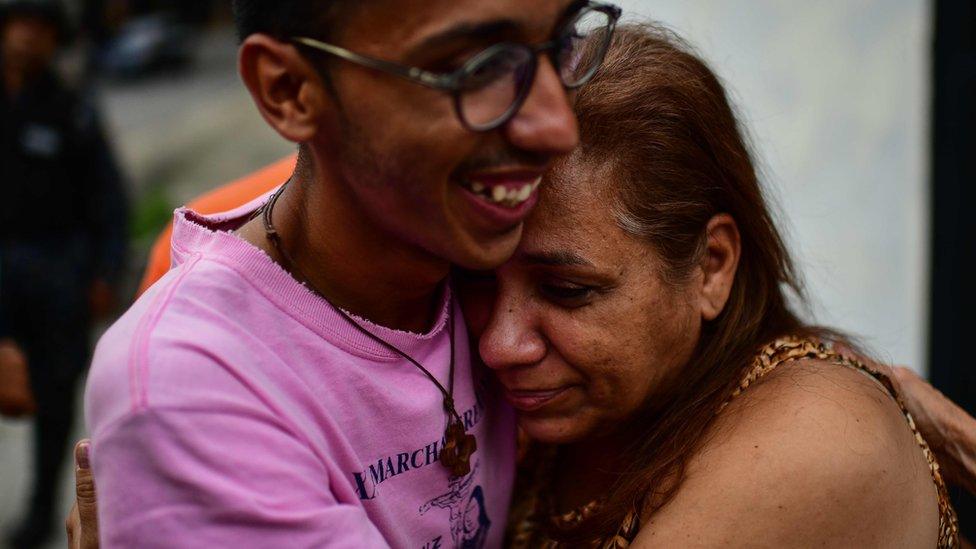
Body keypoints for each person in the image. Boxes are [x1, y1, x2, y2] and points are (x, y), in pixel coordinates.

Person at [84, 0, 619, 546]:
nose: (558, 129)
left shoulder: (487, 250)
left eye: (565, 43)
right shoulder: (195, 385)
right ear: (289, 89)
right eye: (476, 68)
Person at [456, 25, 956, 546]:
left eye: (566, 289)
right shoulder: (537, 426)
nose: (498, 347)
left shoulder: (815, 429)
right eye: (474, 279)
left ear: (711, 266)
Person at [0, 0, 128, 545]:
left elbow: (108, 198)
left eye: (42, 29)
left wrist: (104, 272)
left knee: (54, 406)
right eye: (20, 24)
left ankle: (36, 517)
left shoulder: (72, 108)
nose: (29, 38)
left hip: (56, 277)